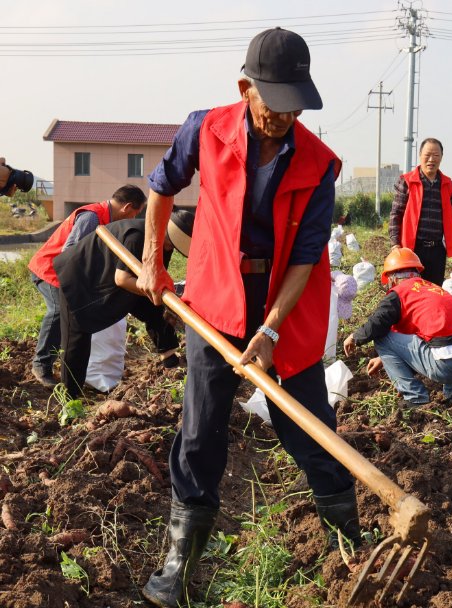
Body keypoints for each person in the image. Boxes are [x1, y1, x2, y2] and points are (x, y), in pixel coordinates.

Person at [135, 28, 358, 607]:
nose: (285, 116)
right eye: (273, 103)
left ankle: (349, 544)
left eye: (295, 105)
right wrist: (154, 263)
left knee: (308, 423)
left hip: (285, 298)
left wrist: (270, 329)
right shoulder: (204, 129)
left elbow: (308, 256)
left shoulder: (318, 164)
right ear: (245, 88)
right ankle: (179, 564)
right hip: (214, 290)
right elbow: (161, 188)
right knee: (202, 426)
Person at [53, 209, 194, 399]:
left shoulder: (164, 244)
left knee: (157, 310)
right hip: (82, 277)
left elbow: (154, 276)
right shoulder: (139, 237)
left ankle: (170, 360)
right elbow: (122, 279)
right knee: (77, 337)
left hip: (112, 277)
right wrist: (156, 292)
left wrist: (161, 297)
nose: (170, 249)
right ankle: (70, 397)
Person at [27, 185, 146, 387]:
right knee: (58, 311)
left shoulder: (106, 219)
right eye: (136, 213)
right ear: (127, 207)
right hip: (50, 271)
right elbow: (69, 253)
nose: (134, 219)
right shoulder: (92, 217)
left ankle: (66, 362)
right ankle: (41, 364)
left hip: (66, 274)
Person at [343, 248, 452, 411]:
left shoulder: (398, 293)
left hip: (449, 367)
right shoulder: (435, 289)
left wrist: (354, 337)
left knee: (382, 337)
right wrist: (385, 361)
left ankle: (415, 397)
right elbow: (420, 339)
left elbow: (377, 325)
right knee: (448, 339)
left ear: (392, 277)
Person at [389, 138, 452, 286]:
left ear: (441, 156)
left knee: (434, 292)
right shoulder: (407, 181)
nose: (431, 160)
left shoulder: (447, 184)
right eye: (427, 155)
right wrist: (395, 245)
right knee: (410, 290)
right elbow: (396, 214)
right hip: (412, 250)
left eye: (436, 155)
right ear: (420, 154)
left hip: (437, 252)